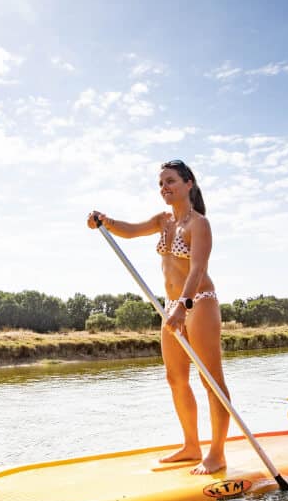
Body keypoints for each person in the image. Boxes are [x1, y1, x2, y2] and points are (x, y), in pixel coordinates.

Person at [88, 160, 229, 474]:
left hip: (199, 303)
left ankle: (217, 454)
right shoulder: (164, 221)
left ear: (188, 183)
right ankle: (192, 446)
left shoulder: (199, 224)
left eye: (171, 181)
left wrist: (184, 306)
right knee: (175, 378)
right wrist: (105, 221)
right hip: (170, 305)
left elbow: (198, 269)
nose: (165, 188)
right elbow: (131, 230)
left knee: (212, 382)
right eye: (161, 183)